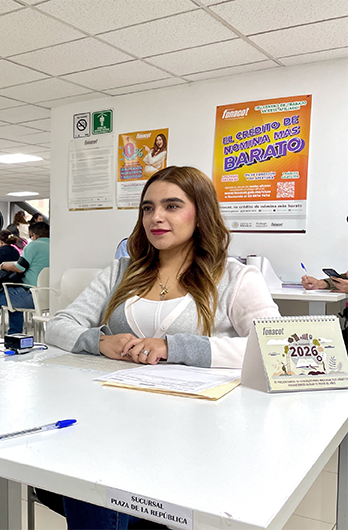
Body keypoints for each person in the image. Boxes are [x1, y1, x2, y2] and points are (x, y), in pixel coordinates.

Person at [46, 166, 280, 529]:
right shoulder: (121, 271)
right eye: (147, 208)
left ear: (200, 213)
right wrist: (101, 341)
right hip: (116, 419)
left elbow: (272, 346)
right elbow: (59, 326)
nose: (156, 218)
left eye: (172, 206)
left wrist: (176, 348)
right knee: (89, 466)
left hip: (199, 430)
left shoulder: (235, 277)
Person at [0, 222, 50, 335]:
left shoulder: (33, 245)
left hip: (31, 296)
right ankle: (15, 334)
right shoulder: (55, 246)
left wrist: (3, 266)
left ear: (33, 235)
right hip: (50, 297)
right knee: (13, 296)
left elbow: (20, 268)